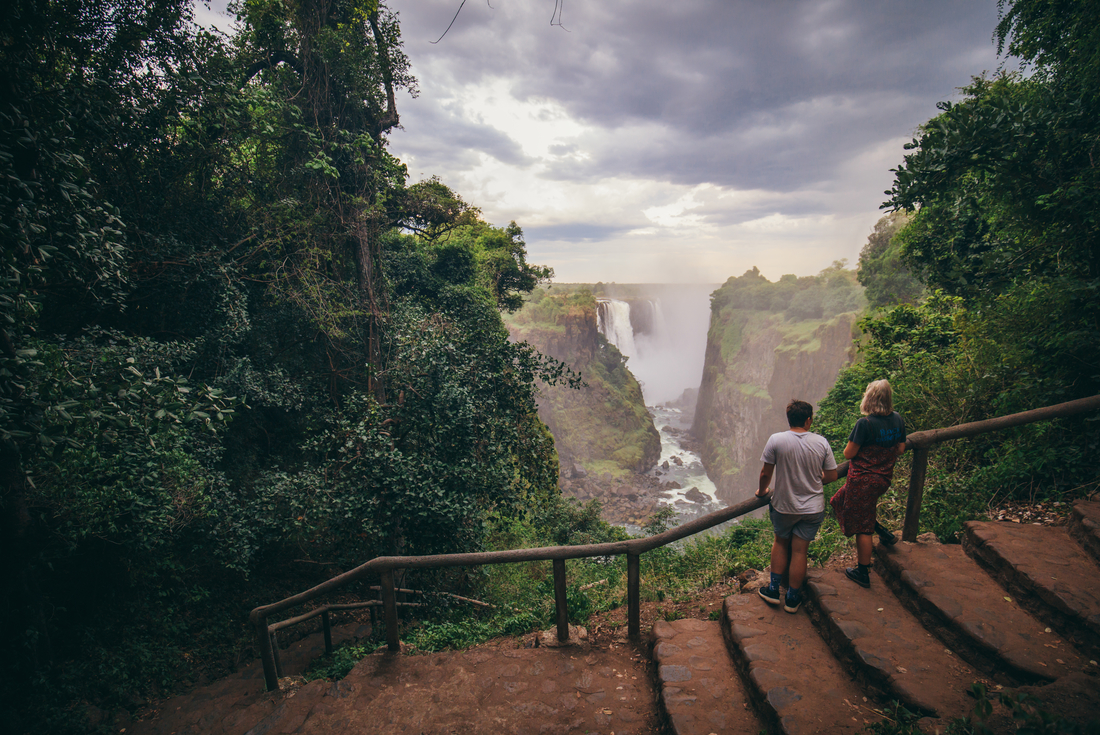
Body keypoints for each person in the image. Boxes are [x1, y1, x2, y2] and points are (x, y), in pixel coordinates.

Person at [756, 399, 839, 613]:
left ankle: (773, 590)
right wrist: (814, 479)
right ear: (808, 420)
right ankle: (792, 599)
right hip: (813, 508)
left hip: (784, 506)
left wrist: (762, 491)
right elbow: (831, 475)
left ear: (789, 419)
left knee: (780, 543)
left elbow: (766, 473)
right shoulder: (821, 442)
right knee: (800, 551)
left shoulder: (776, 440)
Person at [829, 379, 906, 589]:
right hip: (883, 479)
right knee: (838, 499)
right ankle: (882, 531)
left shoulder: (865, 424)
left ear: (869, 398)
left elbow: (849, 453)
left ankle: (862, 572)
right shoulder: (897, 419)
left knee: (863, 527)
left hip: (862, 481)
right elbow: (900, 449)